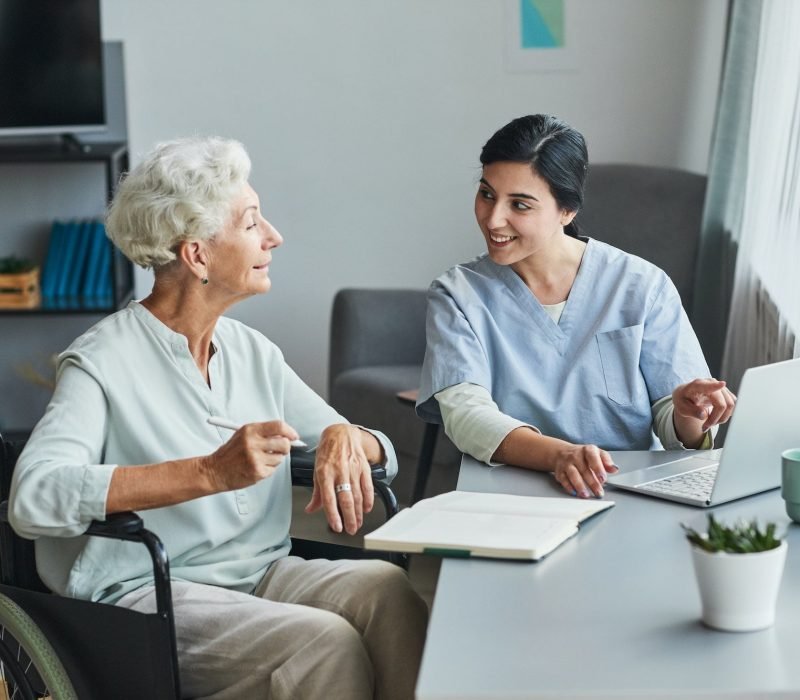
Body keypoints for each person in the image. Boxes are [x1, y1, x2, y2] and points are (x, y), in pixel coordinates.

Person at [10, 136, 427, 700]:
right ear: (197, 254)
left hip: (258, 574)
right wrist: (208, 472)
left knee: (389, 591)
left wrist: (341, 436)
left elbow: (378, 449)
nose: (273, 237)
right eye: (252, 223)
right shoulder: (101, 360)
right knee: (323, 642)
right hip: (147, 596)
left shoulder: (253, 351)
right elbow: (33, 496)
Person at [417, 114, 736, 500]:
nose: (493, 218)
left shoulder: (642, 286)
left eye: (519, 204)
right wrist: (561, 456)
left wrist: (688, 414)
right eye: (487, 194)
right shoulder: (458, 294)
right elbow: (467, 417)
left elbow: (676, 428)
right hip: (508, 494)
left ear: (567, 211)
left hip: (627, 491)